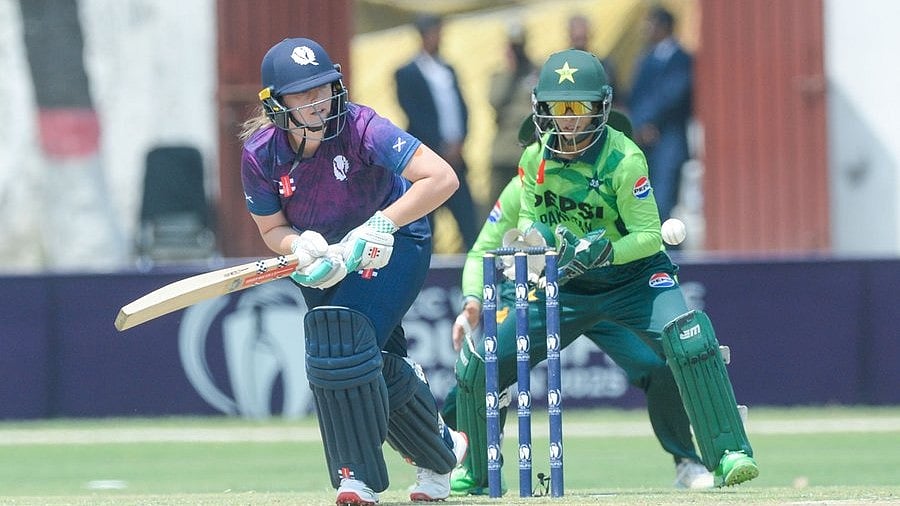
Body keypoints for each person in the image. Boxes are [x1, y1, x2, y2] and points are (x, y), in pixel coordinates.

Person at [448, 48, 759, 495]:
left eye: (579, 108)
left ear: (601, 107)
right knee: (488, 356)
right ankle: (475, 468)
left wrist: (605, 253)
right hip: (565, 284)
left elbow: (650, 236)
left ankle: (725, 453)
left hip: (633, 278)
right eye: (559, 108)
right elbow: (530, 226)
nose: (569, 119)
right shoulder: (533, 161)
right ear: (542, 108)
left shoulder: (624, 159)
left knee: (687, 337)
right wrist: (550, 251)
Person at [238, 37, 469, 505]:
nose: (317, 102)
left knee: (337, 341)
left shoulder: (363, 126)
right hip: (327, 255)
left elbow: (442, 177)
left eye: (322, 88)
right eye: (302, 94)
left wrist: (379, 225)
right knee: (355, 358)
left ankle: (355, 480)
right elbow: (272, 229)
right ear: (276, 103)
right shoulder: (261, 155)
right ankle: (440, 451)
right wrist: (300, 249)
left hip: (394, 242)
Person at [395, 13, 480, 251]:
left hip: (456, 157)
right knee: (427, 222)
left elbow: (461, 107)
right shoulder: (407, 72)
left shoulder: (448, 69)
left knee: (468, 220)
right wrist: (439, 145)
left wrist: (460, 141)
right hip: (429, 157)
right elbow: (414, 114)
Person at [626, 6, 693, 223]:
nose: (647, 30)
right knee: (644, 202)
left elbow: (673, 95)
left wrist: (649, 122)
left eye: (651, 24)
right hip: (644, 142)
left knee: (664, 203)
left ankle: (670, 252)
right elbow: (635, 96)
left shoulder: (681, 58)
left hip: (668, 142)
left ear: (664, 27)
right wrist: (639, 125)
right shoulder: (645, 59)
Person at [487, 22, 539, 202]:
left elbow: (536, 108)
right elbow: (495, 101)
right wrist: (512, 70)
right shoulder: (500, 76)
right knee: (499, 206)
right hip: (503, 152)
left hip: (528, 150)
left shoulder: (535, 74)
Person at [568, 14, 621, 108]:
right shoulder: (561, 67)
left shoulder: (604, 66)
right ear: (570, 36)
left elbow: (616, 98)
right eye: (577, 37)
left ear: (590, 35)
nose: (580, 37)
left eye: (583, 36)